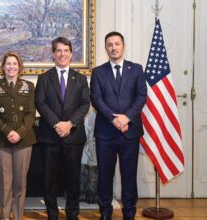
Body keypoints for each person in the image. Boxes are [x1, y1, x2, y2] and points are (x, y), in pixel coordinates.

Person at [90, 31, 147, 220]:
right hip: (106, 133)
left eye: (117, 44)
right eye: (109, 45)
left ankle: (129, 213)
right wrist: (115, 120)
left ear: (123, 46)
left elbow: (141, 97)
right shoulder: (98, 72)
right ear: (105, 48)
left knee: (129, 176)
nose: (113, 48)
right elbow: (96, 99)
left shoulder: (136, 69)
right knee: (105, 176)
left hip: (130, 132)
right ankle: (105, 212)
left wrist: (126, 118)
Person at [35, 37, 90, 220]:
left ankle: (72, 213)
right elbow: (40, 103)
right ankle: (52, 213)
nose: (62, 54)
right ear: (53, 54)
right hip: (49, 136)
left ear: (71, 53)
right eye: (58, 50)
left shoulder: (80, 79)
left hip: (73, 136)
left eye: (66, 50)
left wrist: (70, 124)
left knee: (73, 178)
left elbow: (84, 104)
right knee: (49, 179)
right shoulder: (44, 78)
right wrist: (57, 124)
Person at [0, 52, 36, 220]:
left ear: (19, 67)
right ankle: (5, 216)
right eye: (8, 63)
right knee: (5, 183)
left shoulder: (28, 86)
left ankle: (19, 216)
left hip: (23, 140)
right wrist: (8, 132)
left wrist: (19, 132)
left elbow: (31, 114)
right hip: (1, 140)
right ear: (3, 67)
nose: (11, 67)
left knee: (20, 182)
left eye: (15, 64)